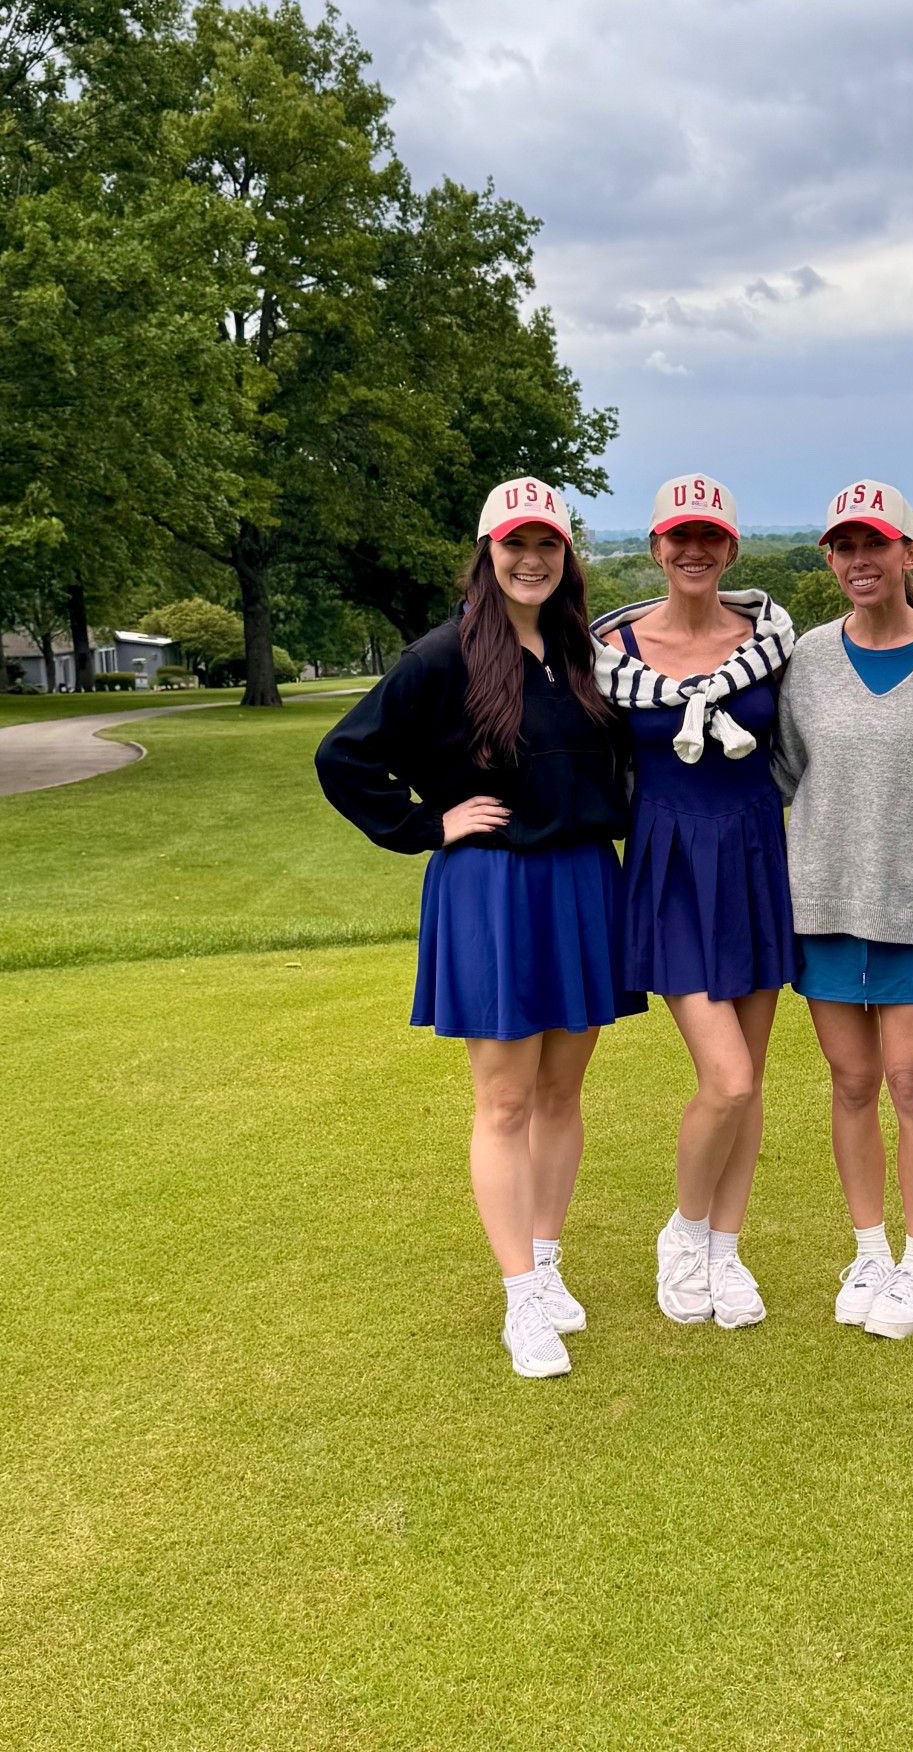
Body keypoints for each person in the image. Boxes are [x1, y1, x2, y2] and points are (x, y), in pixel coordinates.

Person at [315, 477, 642, 1381]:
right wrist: (432, 823)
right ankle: (519, 1299)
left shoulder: (585, 651)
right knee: (504, 1101)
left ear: (566, 554)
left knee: (561, 1096)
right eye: (514, 545)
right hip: (492, 888)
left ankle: (547, 1262)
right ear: (487, 550)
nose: (530, 560)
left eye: (547, 545)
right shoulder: (442, 655)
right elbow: (343, 757)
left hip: (581, 881)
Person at [591, 474, 795, 1331]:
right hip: (668, 861)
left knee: (749, 1088)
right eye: (679, 535)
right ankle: (684, 1233)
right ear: (655, 547)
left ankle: (726, 1249)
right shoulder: (607, 653)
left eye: (710, 535)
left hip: (754, 855)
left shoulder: (775, 643)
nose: (694, 548)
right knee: (728, 1076)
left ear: (732, 549)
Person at [774, 480, 913, 1342]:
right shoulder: (808, 658)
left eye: (876, 545)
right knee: (851, 1085)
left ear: (910, 555)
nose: (861, 560)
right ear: (830, 558)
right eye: (845, 547)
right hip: (822, 905)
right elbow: (783, 773)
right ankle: (869, 1251)